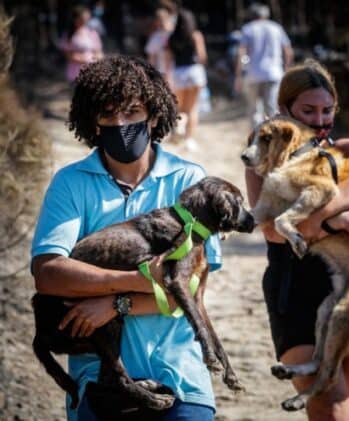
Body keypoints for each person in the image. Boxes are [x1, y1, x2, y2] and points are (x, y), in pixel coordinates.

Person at [31, 56, 222, 421]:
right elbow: (49, 273)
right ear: (94, 123)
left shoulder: (188, 181)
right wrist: (137, 281)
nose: (121, 123)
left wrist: (114, 305)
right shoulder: (71, 183)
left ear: (153, 116)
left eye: (132, 112)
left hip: (182, 378)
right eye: (108, 114)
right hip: (97, 379)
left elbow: (192, 290)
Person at [245, 59, 349, 421]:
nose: (320, 119)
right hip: (294, 290)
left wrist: (322, 213)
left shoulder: (346, 148)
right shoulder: (264, 152)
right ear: (284, 109)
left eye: (327, 110)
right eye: (308, 110)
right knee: (330, 404)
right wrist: (338, 219)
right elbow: (272, 230)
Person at [234, 3, 294, 129]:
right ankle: (273, 137)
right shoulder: (276, 28)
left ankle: (256, 139)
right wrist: (286, 69)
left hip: (253, 74)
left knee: (254, 109)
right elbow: (288, 50)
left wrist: (239, 75)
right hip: (274, 73)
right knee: (271, 107)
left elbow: (241, 53)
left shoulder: (248, 29)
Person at [167, 8, 207, 151]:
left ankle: (180, 126)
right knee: (192, 108)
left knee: (181, 108)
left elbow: (168, 60)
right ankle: (189, 140)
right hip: (194, 72)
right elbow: (202, 56)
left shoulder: (171, 37)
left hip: (179, 73)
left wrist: (167, 77)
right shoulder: (196, 35)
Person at [61, 5, 103, 84]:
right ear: (75, 19)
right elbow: (69, 56)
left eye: (86, 19)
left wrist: (97, 60)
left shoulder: (92, 33)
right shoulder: (68, 35)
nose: (84, 21)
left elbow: (98, 52)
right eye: (82, 19)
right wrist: (87, 60)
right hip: (75, 74)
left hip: (92, 74)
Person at [144, 0, 177, 82]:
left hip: (176, 70)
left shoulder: (175, 35)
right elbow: (151, 57)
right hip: (163, 72)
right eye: (160, 20)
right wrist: (152, 73)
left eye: (164, 19)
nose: (162, 23)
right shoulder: (156, 37)